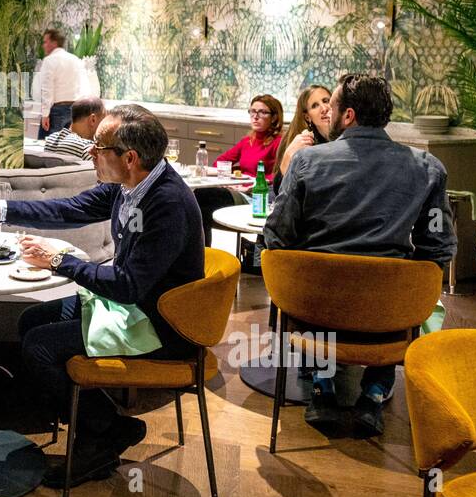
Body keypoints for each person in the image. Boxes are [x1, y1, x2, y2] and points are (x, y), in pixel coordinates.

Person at [0, 104, 204, 490]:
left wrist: (58, 260)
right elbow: (72, 209)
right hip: (132, 309)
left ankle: (101, 435)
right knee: (31, 321)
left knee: (40, 347)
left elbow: (126, 284)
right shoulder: (131, 184)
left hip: (161, 325)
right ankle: (105, 427)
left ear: (129, 157)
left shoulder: (166, 203)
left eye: (98, 148)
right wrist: (0, 209)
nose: (90, 153)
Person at [263, 74, 456, 437]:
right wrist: (409, 284)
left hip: (316, 308)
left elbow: (277, 237)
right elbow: (438, 248)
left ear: (348, 115)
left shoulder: (306, 164)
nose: (327, 113)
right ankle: (374, 393)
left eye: (332, 106)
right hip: (389, 316)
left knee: (307, 277)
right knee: (407, 290)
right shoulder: (428, 168)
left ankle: (322, 387)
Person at [195, 94, 284, 246]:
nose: (255, 117)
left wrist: (252, 183)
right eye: (252, 111)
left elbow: (280, 174)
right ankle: (204, 254)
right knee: (199, 202)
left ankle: (203, 254)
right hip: (239, 191)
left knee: (202, 198)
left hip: (257, 196)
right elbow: (220, 162)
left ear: (274, 117)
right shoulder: (247, 141)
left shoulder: (278, 142)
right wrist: (236, 176)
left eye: (262, 112)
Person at [271, 84, 332, 196]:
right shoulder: (303, 142)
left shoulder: (346, 136)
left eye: (326, 101)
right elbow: (279, 189)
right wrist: (288, 156)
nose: (324, 108)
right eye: (315, 106)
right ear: (307, 117)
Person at [34, 28, 88, 139]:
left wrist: (45, 115)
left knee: (45, 148)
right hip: (74, 111)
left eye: (45, 42)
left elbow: (47, 89)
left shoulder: (49, 60)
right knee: (65, 149)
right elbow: (83, 86)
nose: (43, 46)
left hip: (56, 111)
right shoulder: (75, 59)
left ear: (54, 43)